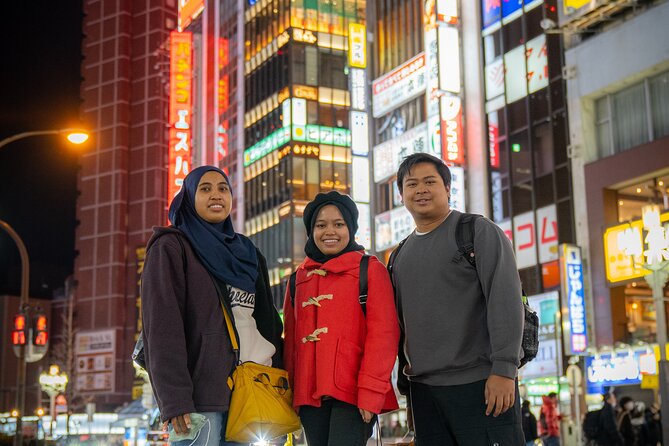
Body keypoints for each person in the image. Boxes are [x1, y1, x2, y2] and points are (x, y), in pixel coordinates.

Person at [141, 166, 283, 445]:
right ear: (189, 197)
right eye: (205, 189)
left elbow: (268, 325)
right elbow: (161, 329)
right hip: (201, 398)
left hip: (258, 389)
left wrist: (282, 383)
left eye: (223, 188)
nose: (216, 195)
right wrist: (174, 398)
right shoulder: (171, 247)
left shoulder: (248, 252)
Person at [390, 153, 525, 445]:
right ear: (401, 195)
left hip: (482, 384)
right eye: (412, 184)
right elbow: (400, 326)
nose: (421, 190)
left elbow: (506, 300)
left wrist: (504, 370)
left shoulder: (476, 231)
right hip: (424, 392)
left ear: (448, 188)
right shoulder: (399, 256)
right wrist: (408, 391)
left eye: (430, 182)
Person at [283, 191, 400, 446]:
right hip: (309, 398)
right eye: (321, 225)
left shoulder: (370, 269)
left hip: (354, 395)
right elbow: (291, 344)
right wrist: (290, 395)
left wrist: (370, 393)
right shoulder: (297, 279)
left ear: (351, 228)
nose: (330, 232)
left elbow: (384, 337)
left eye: (339, 224)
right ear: (311, 230)